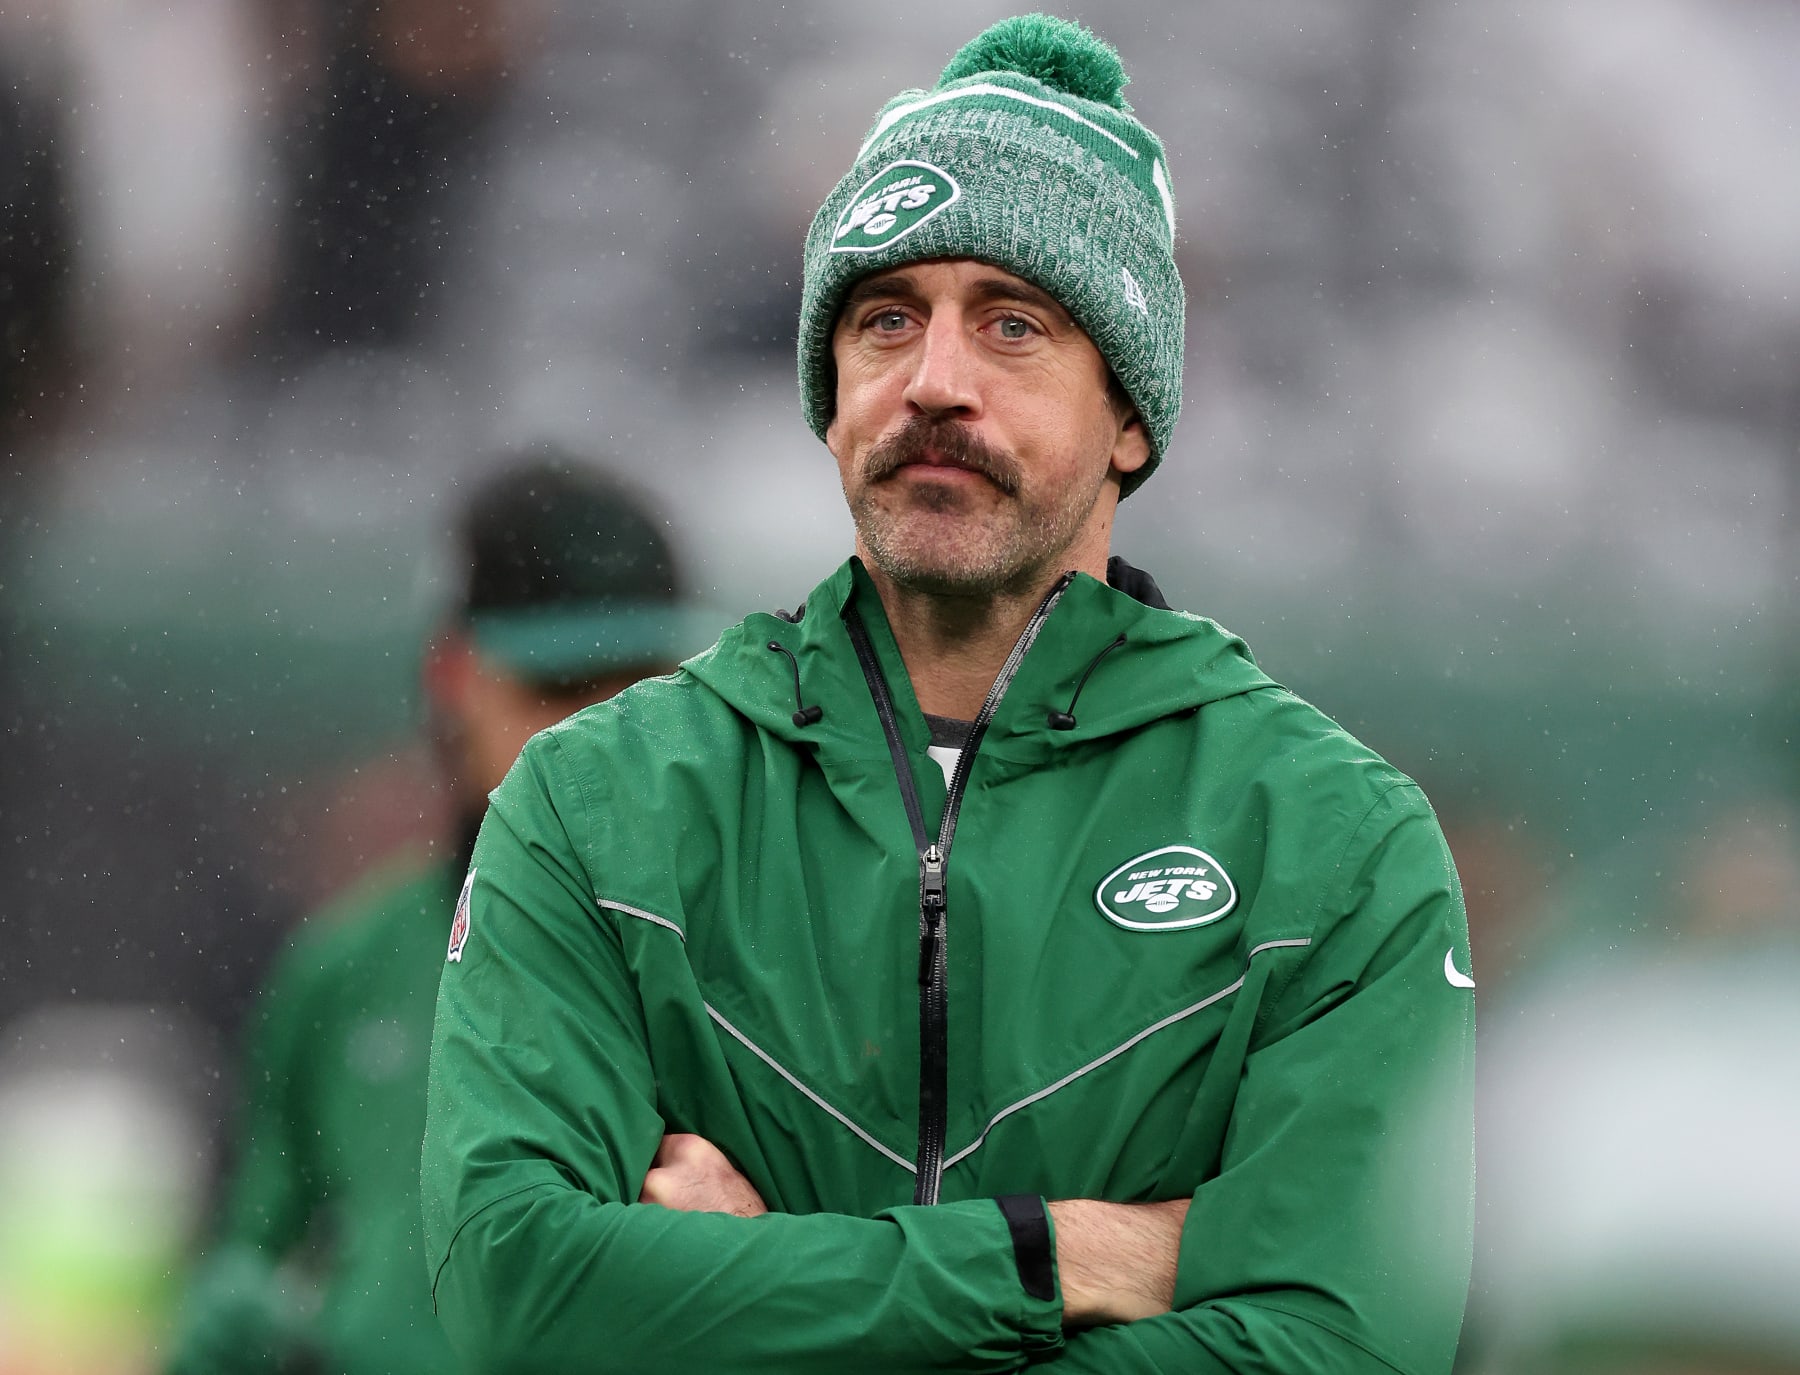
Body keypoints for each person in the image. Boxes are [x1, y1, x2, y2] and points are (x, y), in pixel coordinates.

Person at [421, 15, 1476, 1374]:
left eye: (1013, 323)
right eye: (885, 320)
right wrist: (1056, 1256)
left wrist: (760, 1295)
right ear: (831, 394)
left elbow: (1345, 1348)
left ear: (1132, 415)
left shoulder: (1331, 845)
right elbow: (516, 1294)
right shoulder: (593, 805)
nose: (933, 380)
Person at [165, 454, 701, 1375]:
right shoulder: (344, 971)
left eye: (641, 685)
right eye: (556, 687)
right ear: (454, 677)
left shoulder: (774, 958)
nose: (606, 731)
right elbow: (260, 1249)